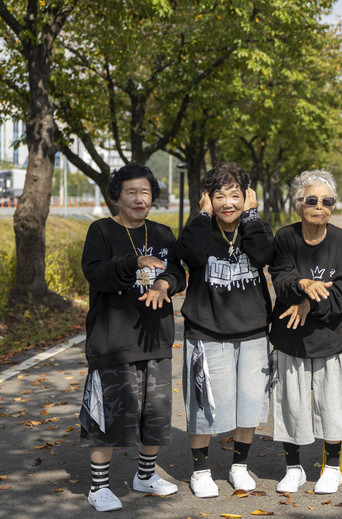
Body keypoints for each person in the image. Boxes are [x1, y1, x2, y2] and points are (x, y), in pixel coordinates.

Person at [79, 163, 186, 512]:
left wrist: (165, 283)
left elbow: (177, 271)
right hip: (112, 342)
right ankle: (99, 487)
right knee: (108, 419)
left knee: (155, 416)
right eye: (132, 192)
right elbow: (96, 274)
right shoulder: (101, 231)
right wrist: (134, 262)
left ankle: (146, 475)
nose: (140, 199)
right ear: (116, 197)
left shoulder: (163, 233)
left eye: (145, 192)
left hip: (155, 339)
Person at [176, 162, 274, 498]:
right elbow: (191, 254)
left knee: (250, 402)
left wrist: (252, 215)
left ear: (247, 197)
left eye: (235, 195)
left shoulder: (254, 226)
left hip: (253, 330)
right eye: (220, 196)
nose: (228, 203)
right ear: (208, 198)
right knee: (203, 403)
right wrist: (204, 215)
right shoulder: (200, 228)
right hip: (207, 330)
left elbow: (263, 254)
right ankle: (201, 470)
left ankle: (239, 466)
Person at [269, 170, 342, 495]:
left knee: (333, 405)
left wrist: (308, 304)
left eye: (327, 201)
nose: (321, 206)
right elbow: (281, 278)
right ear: (298, 204)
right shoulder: (285, 237)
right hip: (291, 337)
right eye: (312, 200)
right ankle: (293, 467)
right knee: (292, 404)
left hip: (331, 336)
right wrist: (303, 285)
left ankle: (331, 467)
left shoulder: (340, 240)